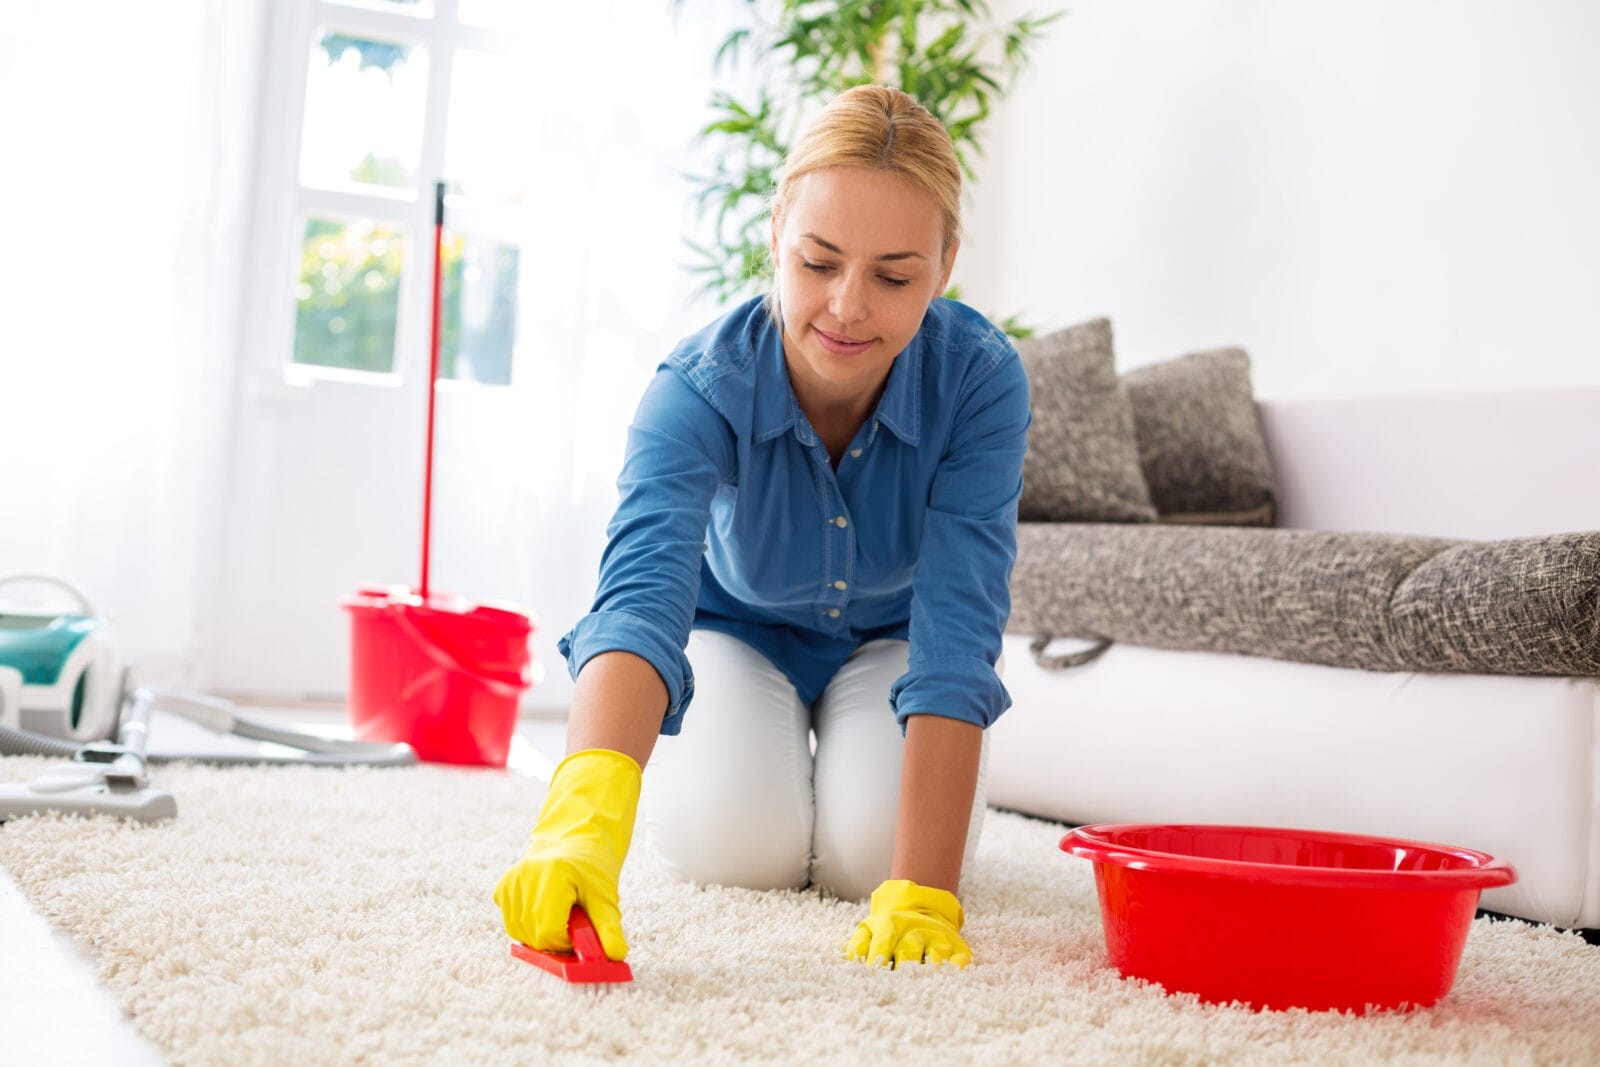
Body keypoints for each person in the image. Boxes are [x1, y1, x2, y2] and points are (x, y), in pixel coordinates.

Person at [494, 84, 1030, 969]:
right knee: (739, 855)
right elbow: (641, 599)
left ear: (945, 263)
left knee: (871, 866)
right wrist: (578, 819)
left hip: (892, 645)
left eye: (894, 276)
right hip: (735, 633)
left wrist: (924, 890)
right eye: (819, 262)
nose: (848, 307)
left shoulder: (980, 382)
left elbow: (960, 625)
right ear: (777, 231)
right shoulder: (696, 386)